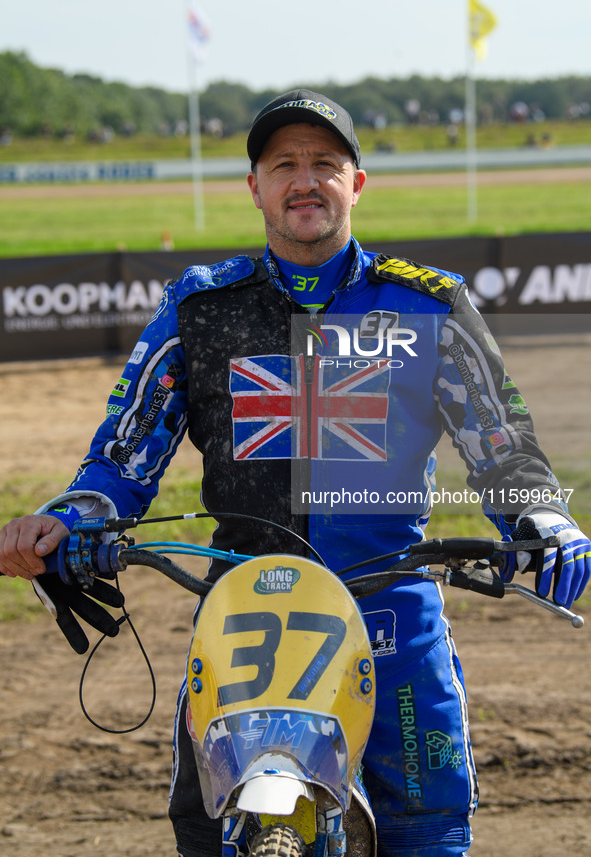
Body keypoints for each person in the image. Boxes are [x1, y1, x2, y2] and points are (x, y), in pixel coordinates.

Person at [1, 89, 590, 857]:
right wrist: (70, 517)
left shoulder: (429, 304)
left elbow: (502, 445)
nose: (304, 180)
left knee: (428, 833)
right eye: (284, 164)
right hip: (243, 622)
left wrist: (541, 520)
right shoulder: (198, 307)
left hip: (391, 622)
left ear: (357, 182)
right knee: (210, 836)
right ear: (254, 186)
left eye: (325, 163)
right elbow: (121, 458)